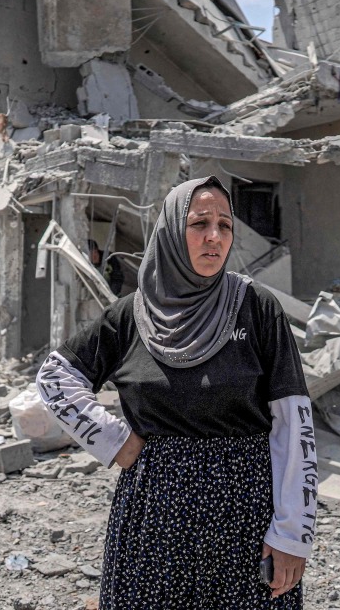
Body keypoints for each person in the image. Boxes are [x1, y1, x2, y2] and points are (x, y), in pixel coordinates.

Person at [38, 176, 317, 608]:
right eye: (199, 223)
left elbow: (293, 423)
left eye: (225, 226)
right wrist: (114, 441)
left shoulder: (257, 307)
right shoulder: (130, 316)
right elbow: (55, 378)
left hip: (243, 513)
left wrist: (292, 534)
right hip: (153, 514)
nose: (214, 236)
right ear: (170, 230)